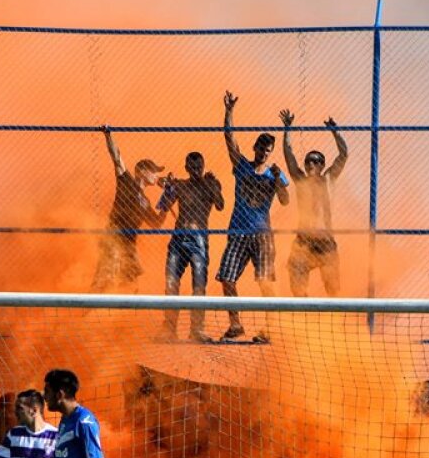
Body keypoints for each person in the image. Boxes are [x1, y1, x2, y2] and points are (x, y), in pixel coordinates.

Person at [215, 91, 290, 342]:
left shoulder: (275, 174)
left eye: (269, 150)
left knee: (265, 282)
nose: (264, 153)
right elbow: (229, 138)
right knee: (226, 277)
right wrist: (229, 111)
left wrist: (279, 180)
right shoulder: (242, 166)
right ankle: (235, 325)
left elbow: (285, 200)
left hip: (261, 234)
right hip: (238, 232)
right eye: (262, 148)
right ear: (255, 147)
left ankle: (269, 329)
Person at [279, 110, 349, 297]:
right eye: (308, 161)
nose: (311, 164)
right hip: (304, 240)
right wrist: (287, 129)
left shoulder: (328, 179)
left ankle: (334, 322)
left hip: (325, 240)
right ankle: (304, 318)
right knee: (297, 285)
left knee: (332, 289)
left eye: (316, 161)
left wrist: (335, 132)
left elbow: (343, 154)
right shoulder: (300, 180)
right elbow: (289, 155)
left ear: (322, 165)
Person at [91, 125, 168, 293]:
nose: (156, 175)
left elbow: (156, 223)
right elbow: (117, 158)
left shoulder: (146, 202)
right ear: (141, 172)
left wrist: (167, 201)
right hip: (114, 238)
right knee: (105, 280)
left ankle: (116, 314)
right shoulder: (127, 182)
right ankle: (85, 311)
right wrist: (108, 135)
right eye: (153, 171)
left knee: (131, 284)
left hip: (129, 245)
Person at [157, 151, 225, 341]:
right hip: (178, 239)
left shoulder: (211, 184)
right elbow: (163, 205)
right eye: (192, 167)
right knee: (171, 283)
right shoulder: (181, 185)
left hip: (199, 241)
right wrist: (168, 186)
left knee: (199, 285)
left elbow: (221, 205)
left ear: (203, 166)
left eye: (199, 167)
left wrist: (210, 184)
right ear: (186, 168)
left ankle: (197, 329)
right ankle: (169, 330)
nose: (196, 171)